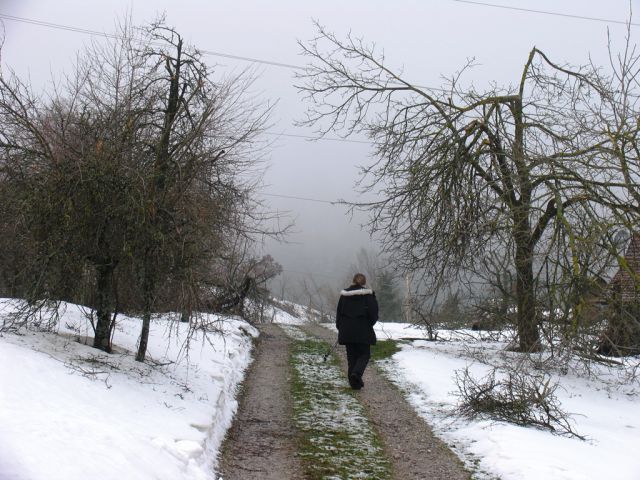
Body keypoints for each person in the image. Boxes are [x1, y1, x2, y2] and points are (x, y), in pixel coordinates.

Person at [335, 273, 379, 390]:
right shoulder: (368, 295)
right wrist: (369, 324)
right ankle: (357, 374)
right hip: (363, 330)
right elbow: (374, 314)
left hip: (347, 330)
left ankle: (354, 384)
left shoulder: (344, 295)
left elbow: (339, 313)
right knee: (364, 354)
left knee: (351, 357)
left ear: (353, 281)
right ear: (364, 282)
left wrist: (341, 327)